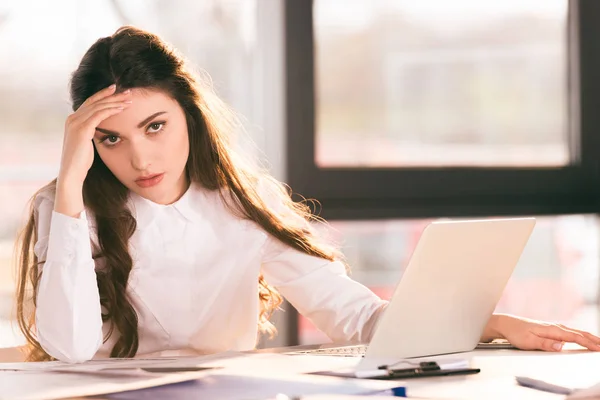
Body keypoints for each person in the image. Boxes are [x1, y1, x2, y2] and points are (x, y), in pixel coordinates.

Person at [14, 26, 600, 363]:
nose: (139, 158)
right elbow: (69, 349)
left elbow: (357, 317)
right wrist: (68, 183)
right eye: (109, 138)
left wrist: (490, 323)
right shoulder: (66, 209)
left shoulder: (241, 204)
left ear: (189, 114)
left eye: (155, 126)